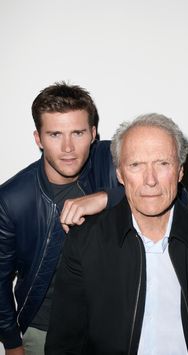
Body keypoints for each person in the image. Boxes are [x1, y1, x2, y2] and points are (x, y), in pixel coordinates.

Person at [45, 113, 188, 355]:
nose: (150, 180)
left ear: (179, 171)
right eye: (136, 165)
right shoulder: (85, 243)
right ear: (120, 175)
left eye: (162, 164)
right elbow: (64, 344)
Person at [0, 82, 123, 355]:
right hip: (45, 330)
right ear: (38, 139)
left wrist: (106, 197)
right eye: (55, 134)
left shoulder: (111, 160)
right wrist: (12, 343)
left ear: (93, 133)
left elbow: (175, 199)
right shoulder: (12, 200)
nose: (68, 147)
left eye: (77, 133)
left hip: (114, 323)